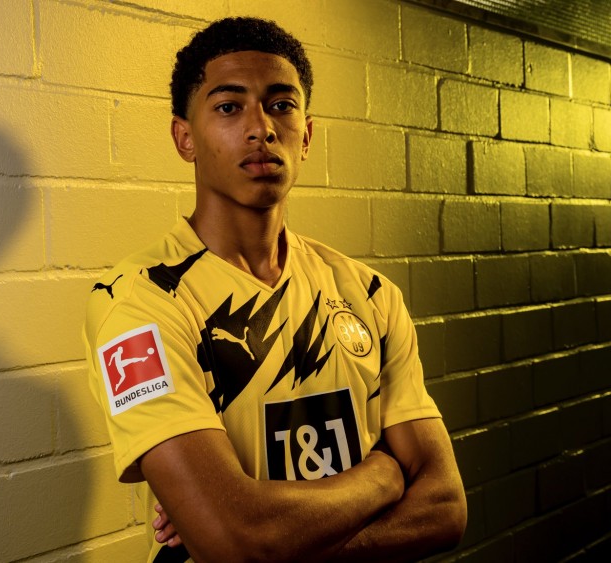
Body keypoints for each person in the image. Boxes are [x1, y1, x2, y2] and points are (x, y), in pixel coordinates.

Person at [83, 17, 466, 563]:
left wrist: (268, 532)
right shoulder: (139, 303)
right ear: (185, 138)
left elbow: (445, 507)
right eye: (228, 107)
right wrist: (383, 476)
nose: (261, 127)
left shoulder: (369, 292)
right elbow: (236, 539)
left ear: (305, 136)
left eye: (281, 105)